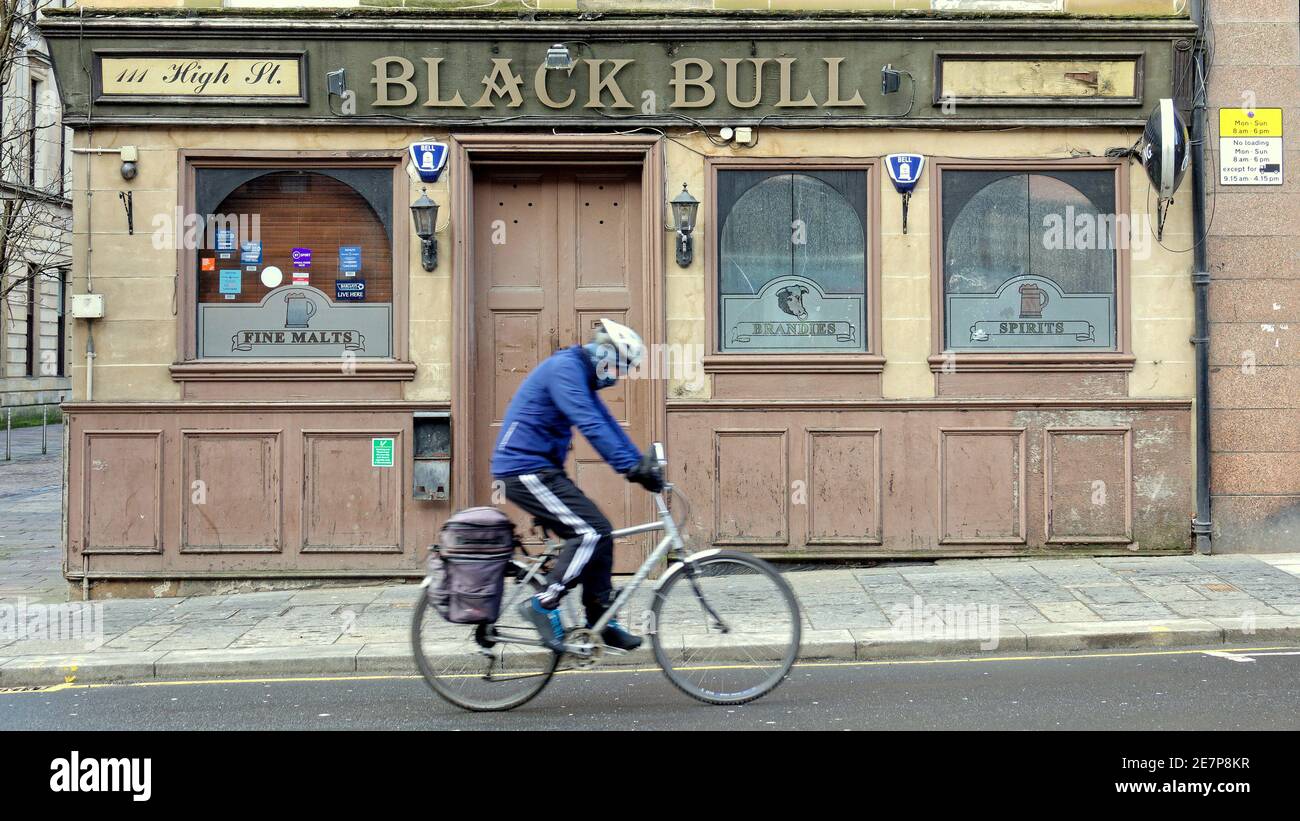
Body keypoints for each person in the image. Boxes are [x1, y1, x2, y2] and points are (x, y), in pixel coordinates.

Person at [492, 318, 664, 653]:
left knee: (601, 532)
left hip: (542, 470)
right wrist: (630, 467)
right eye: (617, 366)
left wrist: (639, 463)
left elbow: (606, 424)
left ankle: (601, 618)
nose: (616, 376)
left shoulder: (579, 373)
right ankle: (543, 602)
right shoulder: (565, 370)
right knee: (590, 532)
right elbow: (589, 423)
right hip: (522, 469)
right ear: (604, 352)